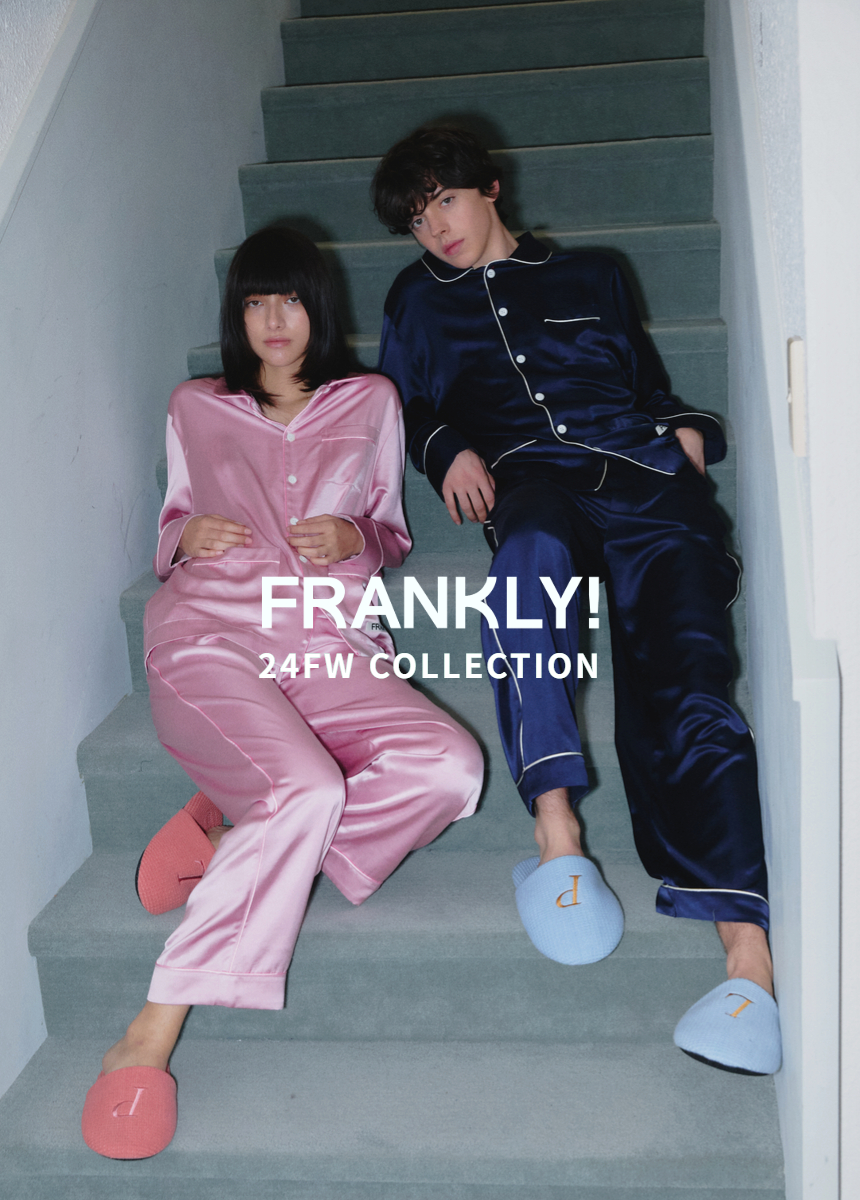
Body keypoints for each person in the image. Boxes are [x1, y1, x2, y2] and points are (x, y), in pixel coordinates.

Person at [372, 126, 782, 1075]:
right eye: (417, 218)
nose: (435, 229)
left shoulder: (594, 274)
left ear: (491, 187)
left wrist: (685, 432)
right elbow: (400, 403)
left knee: (689, 687)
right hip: (532, 483)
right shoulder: (415, 300)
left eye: (445, 200)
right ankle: (555, 831)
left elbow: (646, 384)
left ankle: (748, 964)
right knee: (527, 563)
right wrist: (445, 450)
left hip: (645, 482)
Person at [80, 226, 483, 1160]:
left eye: (290, 299)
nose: (272, 318)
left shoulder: (370, 400)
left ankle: (233, 837)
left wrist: (356, 539)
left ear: (317, 307)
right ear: (238, 313)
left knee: (451, 768)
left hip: (326, 642)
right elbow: (172, 524)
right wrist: (185, 539)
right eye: (255, 301)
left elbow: (391, 530)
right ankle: (152, 1026)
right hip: (212, 634)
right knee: (305, 788)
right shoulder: (197, 405)